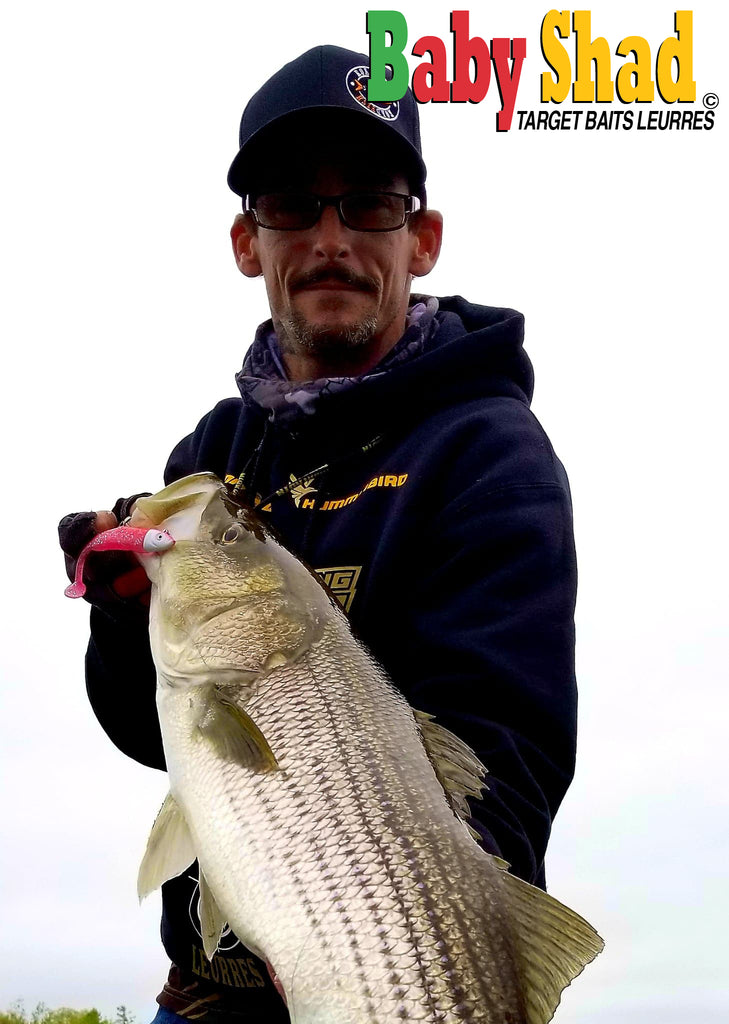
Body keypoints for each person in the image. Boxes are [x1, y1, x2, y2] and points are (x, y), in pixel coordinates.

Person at [59, 44, 578, 1024]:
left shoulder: (488, 451)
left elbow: (506, 756)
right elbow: (156, 732)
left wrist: (368, 940)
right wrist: (122, 621)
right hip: (208, 992)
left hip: (386, 965)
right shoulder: (217, 448)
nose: (331, 237)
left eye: (371, 203)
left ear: (420, 238)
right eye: (293, 203)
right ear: (247, 242)